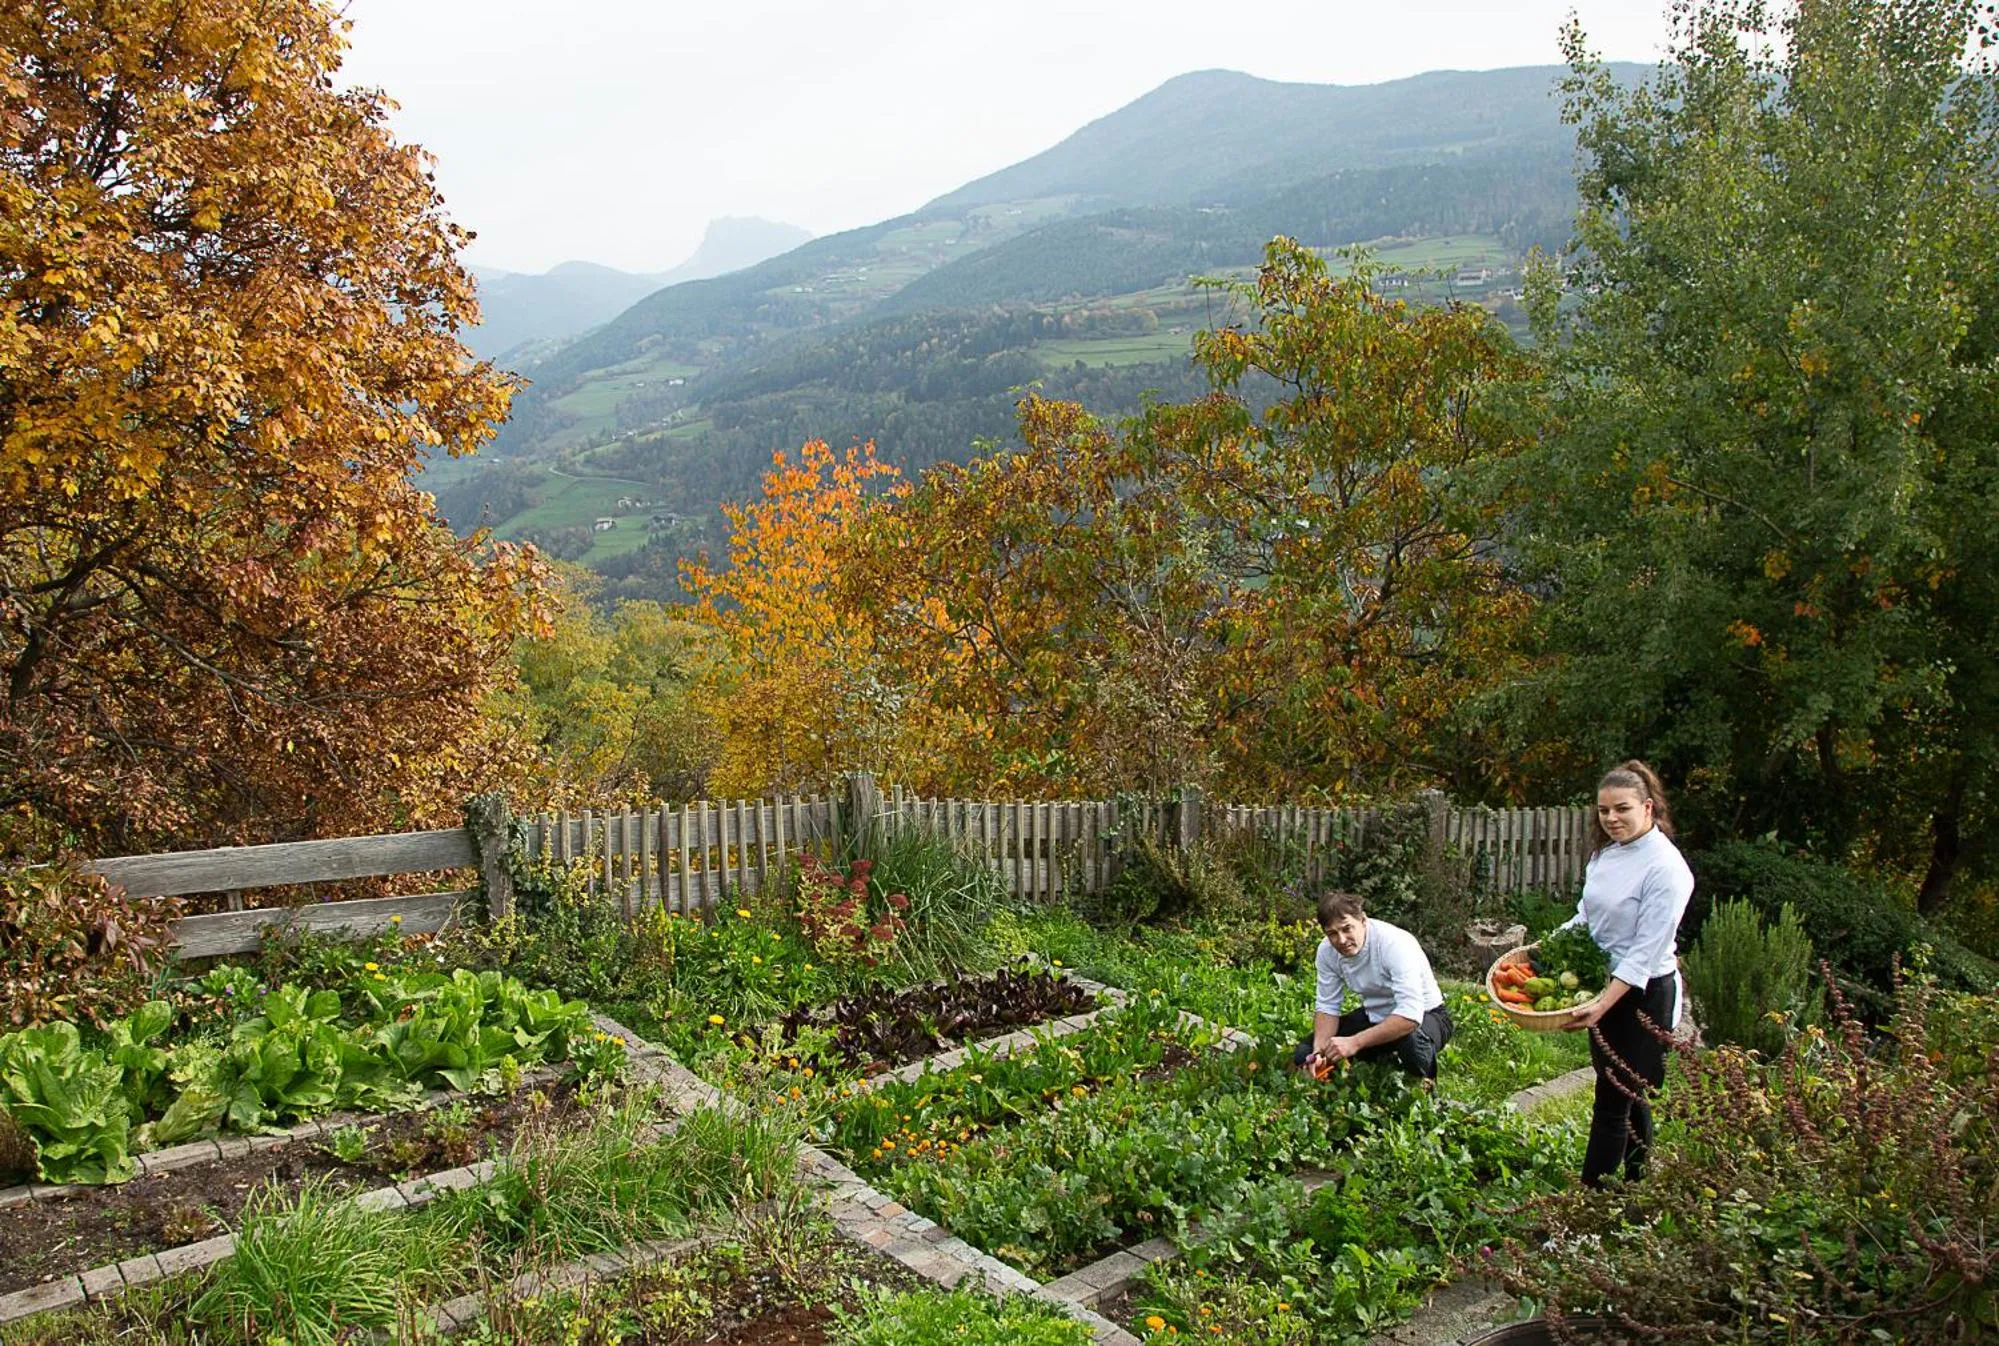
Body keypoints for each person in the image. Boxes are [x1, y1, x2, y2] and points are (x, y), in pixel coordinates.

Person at [1561, 759, 1695, 1187]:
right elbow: (1587, 918)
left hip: (1644, 997)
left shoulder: (1667, 869)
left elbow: (1642, 955)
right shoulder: (1604, 855)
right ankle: (1637, 1183)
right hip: (1607, 988)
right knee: (1626, 1091)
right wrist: (1545, 948)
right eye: (1604, 810)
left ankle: (1588, 1199)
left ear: (1648, 808)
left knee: (1613, 1099)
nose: (1611, 818)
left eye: (1622, 809)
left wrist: (1601, 1006)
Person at [1294, 889, 1452, 1082]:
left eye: (1347, 928)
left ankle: (1421, 1085)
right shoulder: (1327, 952)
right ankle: (1375, 1056)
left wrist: (1354, 1042)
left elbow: (1411, 1015)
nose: (1341, 940)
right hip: (1375, 1016)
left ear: (1363, 920)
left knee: (1411, 1045)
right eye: (1332, 933)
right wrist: (1319, 1052)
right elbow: (1328, 1006)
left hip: (1426, 1015)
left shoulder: (1394, 944)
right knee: (1304, 1054)